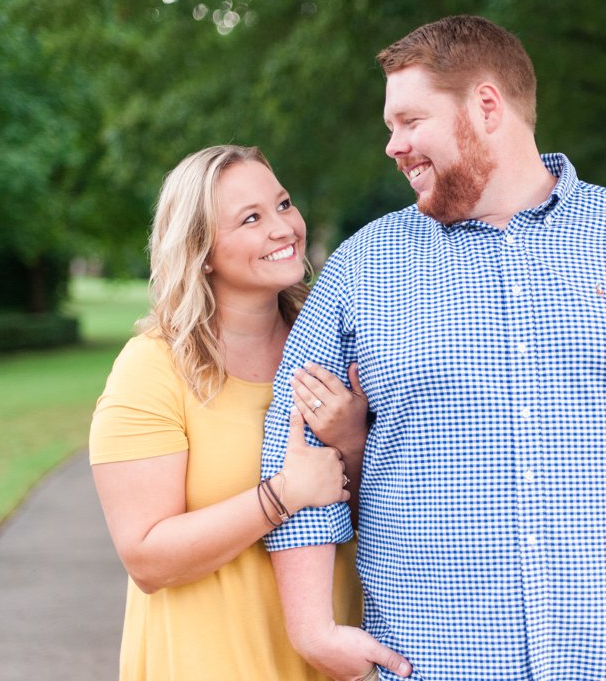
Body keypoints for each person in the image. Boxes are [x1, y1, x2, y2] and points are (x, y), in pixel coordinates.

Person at [261, 16, 606, 681]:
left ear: (485, 106)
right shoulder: (362, 268)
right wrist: (312, 627)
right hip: (432, 665)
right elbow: (292, 438)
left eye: (409, 120)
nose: (393, 145)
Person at [89, 145, 397, 681]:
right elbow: (146, 559)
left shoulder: (340, 345)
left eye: (283, 204)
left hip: (332, 661)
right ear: (202, 250)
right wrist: (281, 496)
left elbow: (395, 503)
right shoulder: (155, 368)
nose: (283, 228)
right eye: (251, 219)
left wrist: (351, 440)